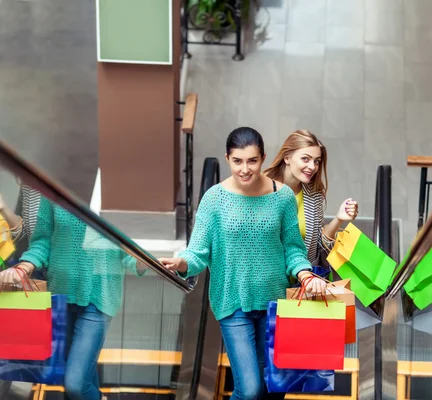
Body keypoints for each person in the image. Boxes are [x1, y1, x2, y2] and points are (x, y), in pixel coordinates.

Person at [159, 127, 326, 400]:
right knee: (249, 391)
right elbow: (198, 252)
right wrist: (181, 263)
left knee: (273, 389)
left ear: (263, 158)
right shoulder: (214, 198)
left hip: (275, 305)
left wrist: (305, 273)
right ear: (227, 158)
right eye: (238, 161)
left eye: (252, 161)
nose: (245, 169)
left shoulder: (282, 197)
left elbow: (294, 250)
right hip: (233, 303)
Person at [0, 197, 145, 400]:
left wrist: (143, 260)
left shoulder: (116, 189)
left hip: (99, 296)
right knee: (82, 378)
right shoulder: (53, 189)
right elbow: (43, 241)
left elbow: (129, 248)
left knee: (75, 384)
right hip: (60, 296)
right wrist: (25, 267)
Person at [264, 129, 358, 267]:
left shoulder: (313, 195)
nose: (312, 167)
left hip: (301, 283)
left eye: (317, 161)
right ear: (287, 157)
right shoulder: (261, 190)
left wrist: (339, 219)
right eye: (305, 159)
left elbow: (318, 245)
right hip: (267, 281)